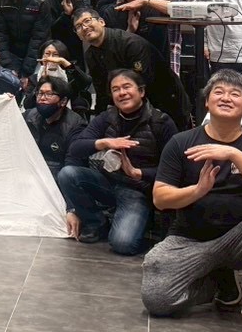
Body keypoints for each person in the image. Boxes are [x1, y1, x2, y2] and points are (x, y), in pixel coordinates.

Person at [142, 71, 242, 332]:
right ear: (207, 102)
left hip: (240, 241)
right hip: (190, 239)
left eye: (235, 94)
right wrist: (197, 190)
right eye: (218, 92)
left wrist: (234, 154)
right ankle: (217, 279)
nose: (226, 98)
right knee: (157, 299)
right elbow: (160, 198)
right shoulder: (181, 142)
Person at [58, 69, 177, 255]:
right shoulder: (107, 117)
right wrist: (104, 143)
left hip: (137, 190)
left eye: (127, 87)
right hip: (107, 182)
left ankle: (141, 221)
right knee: (68, 174)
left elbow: (175, 169)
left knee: (123, 244)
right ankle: (96, 222)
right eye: (115, 89)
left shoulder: (161, 122)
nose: (122, 93)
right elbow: (75, 148)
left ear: (141, 91)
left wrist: (138, 173)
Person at [24, 75, 86, 177]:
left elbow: (72, 168)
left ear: (63, 101)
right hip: (28, 173)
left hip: (54, 180)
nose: (42, 98)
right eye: (40, 93)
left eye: (49, 94)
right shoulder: (29, 116)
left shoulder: (76, 126)